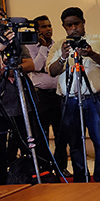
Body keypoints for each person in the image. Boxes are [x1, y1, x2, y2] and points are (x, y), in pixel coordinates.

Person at [47, 7, 100, 182]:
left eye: (77, 23)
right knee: (75, 144)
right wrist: (62, 56)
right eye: (69, 25)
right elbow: (52, 71)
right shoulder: (59, 45)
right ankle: (80, 179)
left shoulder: (97, 40)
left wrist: (91, 53)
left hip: (96, 98)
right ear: (64, 26)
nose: (74, 28)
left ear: (83, 22)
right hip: (69, 99)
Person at [0, 2, 38, 185]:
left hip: (19, 100)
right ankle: (0, 187)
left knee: (27, 146)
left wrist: (4, 72)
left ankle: (28, 181)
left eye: (0, 14)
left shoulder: (13, 36)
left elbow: (30, 65)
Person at [25, 15, 70, 176]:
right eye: (44, 27)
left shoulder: (59, 45)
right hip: (40, 96)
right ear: (37, 31)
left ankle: (60, 167)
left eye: (49, 26)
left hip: (58, 95)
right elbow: (35, 67)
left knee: (61, 133)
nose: (48, 29)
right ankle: (45, 169)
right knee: (40, 134)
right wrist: (43, 48)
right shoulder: (30, 46)